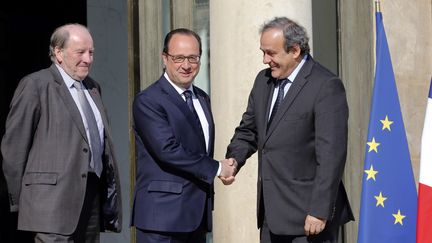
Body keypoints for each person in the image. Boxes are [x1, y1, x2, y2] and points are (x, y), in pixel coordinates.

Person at [225, 17, 354, 243]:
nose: (265, 60)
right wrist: (234, 160)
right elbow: (249, 130)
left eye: (271, 53)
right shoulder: (263, 81)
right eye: (262, 52)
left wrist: (319, 210)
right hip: (271, 218)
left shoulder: (325, 86)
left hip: (309, 219)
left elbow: (331, 156)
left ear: (294, 50)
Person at [1, 23, 122, 242]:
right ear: (58, 52)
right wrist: (25, 200)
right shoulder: (35, 85)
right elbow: (14, 149)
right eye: (80, 52)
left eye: (91, 52)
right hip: (51, 204)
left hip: (91, 198)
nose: (88, 59)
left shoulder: (93, 88)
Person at [131, 28, 237, 243]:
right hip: (162, 219)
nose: (186, 65)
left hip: (196, 216)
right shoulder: (148, 100)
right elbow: (167, 150)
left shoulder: (202, 98)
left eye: (193, 58)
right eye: (179, 58)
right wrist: (217, 168)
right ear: (164, 58)